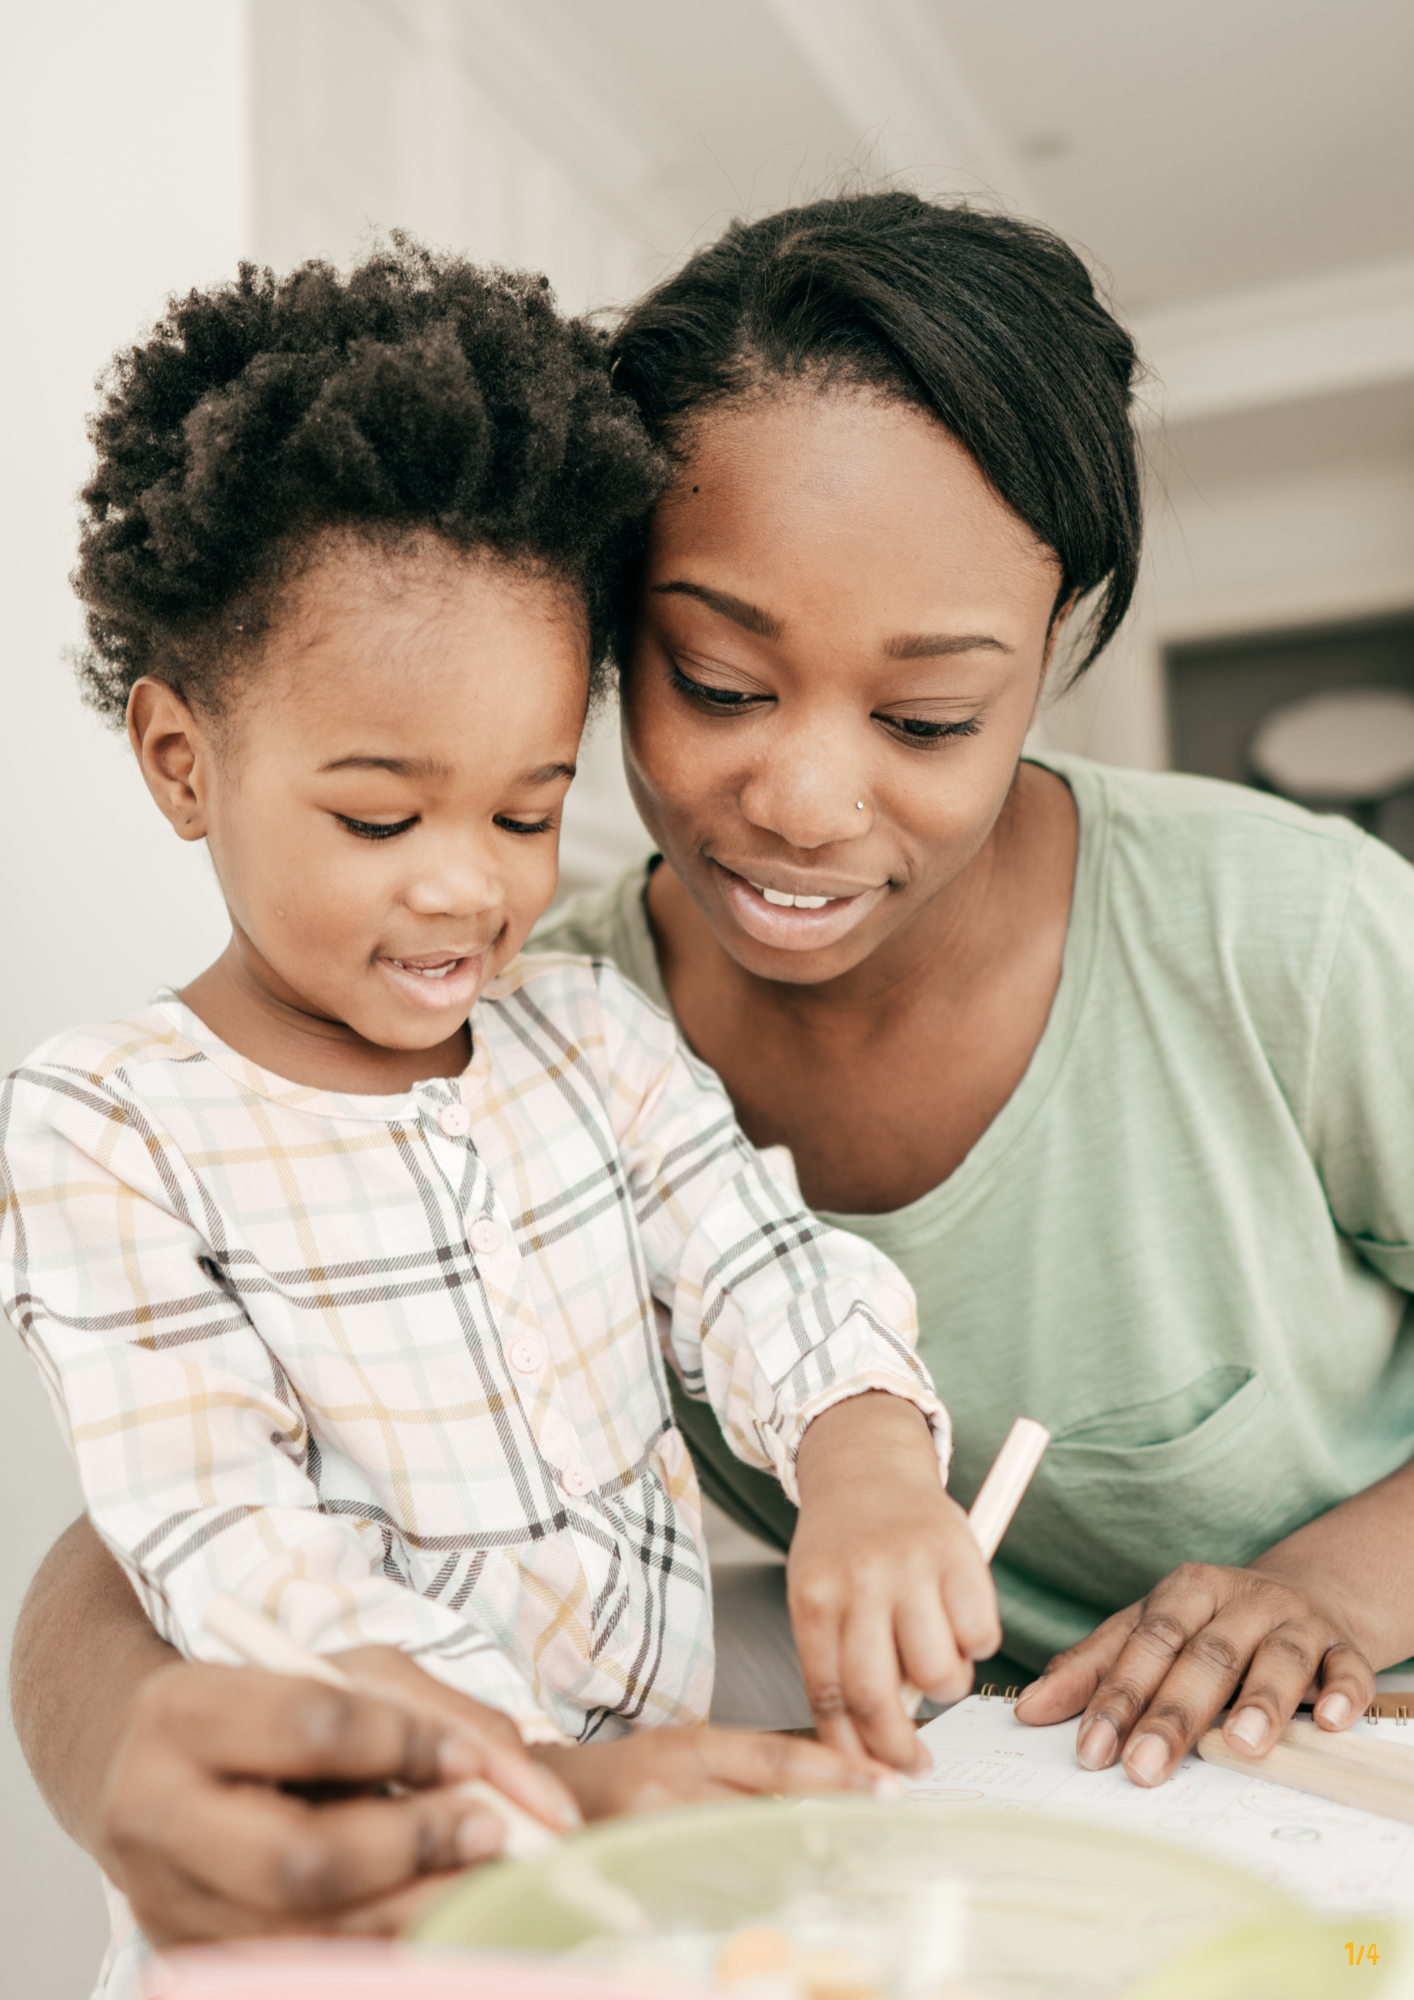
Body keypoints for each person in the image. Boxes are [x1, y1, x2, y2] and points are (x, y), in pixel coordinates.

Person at [15, 189, 1414, 1947]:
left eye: (924, 718)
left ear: (1048, 657)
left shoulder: (1292, 937)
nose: (805, 805)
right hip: (893, 1807)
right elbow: (188, 1505)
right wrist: (129, 1747)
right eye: (719, 682)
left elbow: (780, 1298)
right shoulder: (531, 1011)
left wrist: (1320, 1588)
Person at [0, 236, 1001, 1995]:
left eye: (527, 814)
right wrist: (536, 1786)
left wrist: (862, 1462)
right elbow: (226, 1547)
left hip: (643, 1883)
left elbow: (756, 1262)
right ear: (181, 761)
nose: (468, 889)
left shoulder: (586, 1032)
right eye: (381, 820)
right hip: (362, 1902)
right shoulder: (111, 1127)